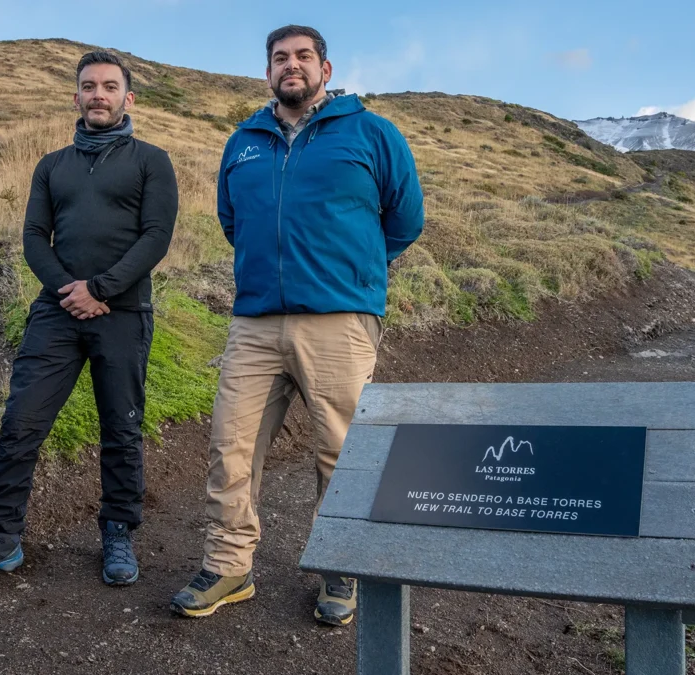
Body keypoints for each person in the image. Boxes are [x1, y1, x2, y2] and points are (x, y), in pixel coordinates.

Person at [170, 25, 424, 625]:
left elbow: (405, 219)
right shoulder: (245, 141)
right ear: (268, 73)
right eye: (280, 58)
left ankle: (343, 566)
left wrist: (352, 271)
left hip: (338, 320)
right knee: (230, 446)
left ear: (325, 69)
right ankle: (230, 564)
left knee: (339, 451)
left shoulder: (372, 132)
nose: (292, 66)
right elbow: (233, 221)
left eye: (303, 57)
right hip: (256, 321)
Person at [0, 51, 178, 587]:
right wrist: (70, 292)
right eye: (89, 86)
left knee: (121, 427)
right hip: (57, 311)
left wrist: (102, 289)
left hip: (124, 311)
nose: (99, 95)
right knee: (22, 421)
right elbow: (33, 238)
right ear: (76, 96)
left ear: (127, 98)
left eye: (110, 87)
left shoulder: (151, 161)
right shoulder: (51, 165)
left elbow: (156, 236)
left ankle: (117, 532)